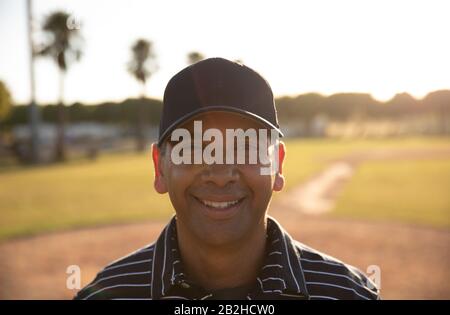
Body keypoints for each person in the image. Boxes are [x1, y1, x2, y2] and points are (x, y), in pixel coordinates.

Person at [74, 58, 379, 300]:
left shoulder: (348, 294)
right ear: (159, 167)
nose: (220, 175)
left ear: (278, 165)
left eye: (245, 147)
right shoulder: (105, 296)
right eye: (193, 148)